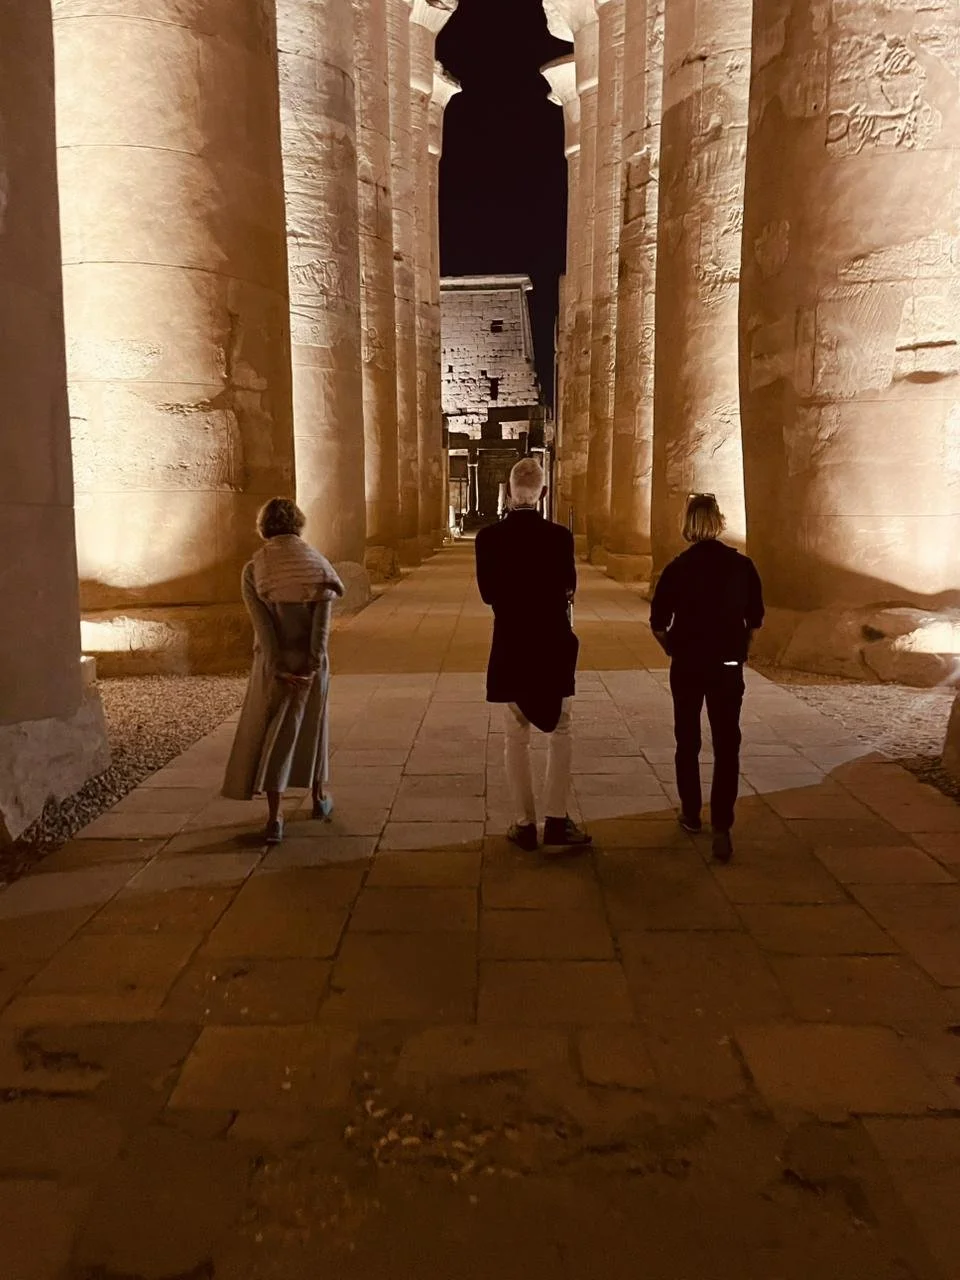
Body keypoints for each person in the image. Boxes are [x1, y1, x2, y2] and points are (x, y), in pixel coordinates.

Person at [475, 457, 592, 853]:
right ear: (542, 493)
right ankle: (556, 819)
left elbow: (488, 594)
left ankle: (524, 823)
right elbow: (569, 587)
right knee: (561, 730)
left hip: (511, 642)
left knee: (515, 735)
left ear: (509, 493)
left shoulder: (488, 539)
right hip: (552, 642)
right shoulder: (559, 538)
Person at [649, 493, 764, 863]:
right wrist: (740, 647)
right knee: (727, 743)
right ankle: (722, 825)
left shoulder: (677, 568)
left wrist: (672, 648)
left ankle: (691, 812)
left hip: (687, 662)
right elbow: (755, 618)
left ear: (687, 525)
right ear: (719, 522)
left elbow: (658, 622)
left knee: (688, 739)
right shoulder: (742, 566)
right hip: (727, 663)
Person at [222, 497, 344, 844]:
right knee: (314, 728)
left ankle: (275, 816)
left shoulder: (254, 570)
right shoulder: (318, 566)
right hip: (310, 663)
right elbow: (321, 628)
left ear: (264, 527)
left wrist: (277, 667)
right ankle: (318, 797)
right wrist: (313, 665)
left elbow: (264, 628)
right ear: (298, 525)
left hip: (274, 665)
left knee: (275, 734)